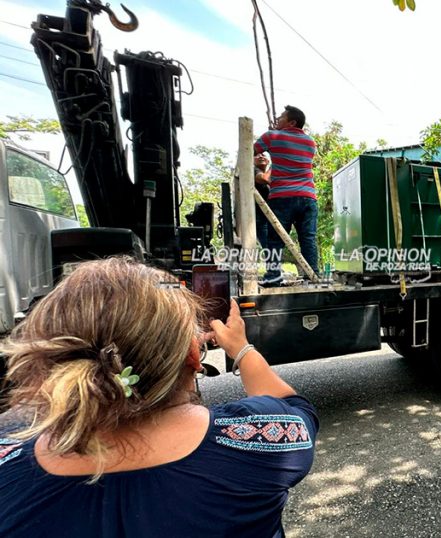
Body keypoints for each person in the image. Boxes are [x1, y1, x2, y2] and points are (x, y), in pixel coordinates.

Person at [0, 258, 318, 537]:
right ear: (194, 355)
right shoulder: (262, 445)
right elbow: (295, 407)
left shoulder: (8, 465)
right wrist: (241, 348)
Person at [255, 105, 319, 286]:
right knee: (308, 238)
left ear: (292, 122)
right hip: (308, 196)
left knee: (275, 239)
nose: (277, 120)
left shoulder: (272, 136)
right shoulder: (310, 142)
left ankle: (273, 277)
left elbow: (250, 151)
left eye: (281, 117)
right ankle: (312, 277)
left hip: (282, 197)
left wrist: (272, 134)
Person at [255, 152, 272, 250]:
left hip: (266, 216)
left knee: (271, 246)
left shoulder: (268, 173)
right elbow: (265, 178)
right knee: (269, 246)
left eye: (263, 155)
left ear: (268, 160)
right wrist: (278, 162)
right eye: (257, 155)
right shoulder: (252, 170)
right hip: (259, 217)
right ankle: (273, 265)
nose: (261, 156)